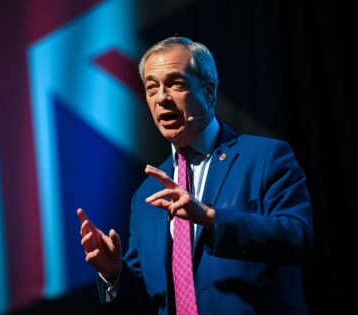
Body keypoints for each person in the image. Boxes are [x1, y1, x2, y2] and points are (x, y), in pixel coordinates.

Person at [77, 36, 314, 315]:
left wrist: (211, 219)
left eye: (175, 84)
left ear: (209, 92)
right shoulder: (145, 195)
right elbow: (148, 300)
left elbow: (298, 239)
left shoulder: (264, 158)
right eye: (151, 88)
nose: (161, 98)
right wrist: (114, 272)